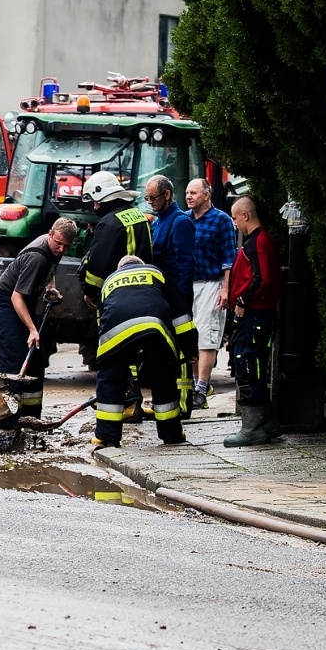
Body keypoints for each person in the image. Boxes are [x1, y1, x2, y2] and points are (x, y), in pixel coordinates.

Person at [92, 255, 195, 448]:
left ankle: (107, 437)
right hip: (155, 325)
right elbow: (182, 317)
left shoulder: (109, 281)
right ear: (140, 265)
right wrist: (190, 350)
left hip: (115, 330)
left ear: (120, 268)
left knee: (110, 379)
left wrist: (120, 368)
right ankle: (171, 434)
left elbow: (101, 323)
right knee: (162, 375)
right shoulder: (156, 273)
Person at [0, 217, 79, 418]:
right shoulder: (37, 257)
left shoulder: (55, 248)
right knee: (15, 359)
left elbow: (51, 267)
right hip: (8, 301)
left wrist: (50, 288)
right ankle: (7, 419)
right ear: (50, 234)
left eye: (66, 246)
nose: (62, 250)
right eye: (58, 243)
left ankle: (30, 416)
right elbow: (16, 297)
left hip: (26, 300)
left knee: (36, 359)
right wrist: (32, 330)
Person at [224, 195, 282, 447]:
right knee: (252, 365)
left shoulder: (256, 242)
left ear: (245, 216)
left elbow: (262, 279)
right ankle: (267, 423)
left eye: (235, 218)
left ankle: (252, 427)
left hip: (255, 314)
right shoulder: (260, 241)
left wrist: (242, 300)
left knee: (248, 366)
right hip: (259, 313)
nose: (235, 223)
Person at [146, 175, 197, 414]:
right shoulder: (159, 222)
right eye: (147, 198)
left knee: (182, 352)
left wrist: (181, 303)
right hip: (163, 298)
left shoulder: (179, 222)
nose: (150, 202)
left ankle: (184, 403)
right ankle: (168, 401)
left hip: (176, 299)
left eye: (153, 198)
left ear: (167, 195)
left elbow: (186, 266)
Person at [184, 178, 236, 409]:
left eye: (194, 192)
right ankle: (196, 385)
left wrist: (226, 289)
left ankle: (201, 389)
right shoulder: (184, 219)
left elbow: (229, 258)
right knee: (190, 337)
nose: (189, 196)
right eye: (187, 192)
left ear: (207, 195)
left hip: (211, 283)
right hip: (188, 284)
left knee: (206, 336)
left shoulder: (221, 220)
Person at [79, 172, 152, 306]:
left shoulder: (109, 223)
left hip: (118, 292)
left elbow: (99, 263)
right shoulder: (139, 215)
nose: (94, 206)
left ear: (101, 198)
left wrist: (89, 292)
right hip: (145, 287)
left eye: (95, 201)